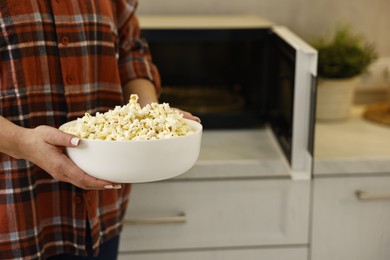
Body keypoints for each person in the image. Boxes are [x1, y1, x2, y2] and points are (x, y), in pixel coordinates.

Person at [0, 1, 199, 259]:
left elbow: (130, 51)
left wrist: (150, 115)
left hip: (99, 216)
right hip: (17, 211)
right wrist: (21, 141)